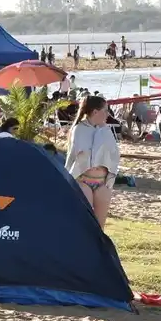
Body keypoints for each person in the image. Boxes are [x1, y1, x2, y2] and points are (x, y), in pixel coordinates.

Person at [65, 95, 121, 229]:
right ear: (95, 112)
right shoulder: (79, 129)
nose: (108, 114)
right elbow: (74, 155)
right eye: (105, 110)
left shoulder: (106, 130)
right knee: (86, 223)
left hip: (103, 181)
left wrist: (111, 177)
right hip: (84, 180)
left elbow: (114, 155)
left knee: (100, 226)